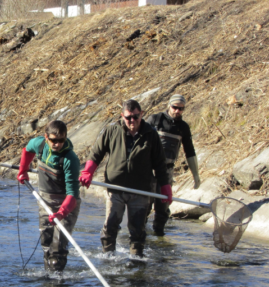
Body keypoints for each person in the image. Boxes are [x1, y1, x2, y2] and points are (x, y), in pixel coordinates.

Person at [79, 99, 171, 257]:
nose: (132, 121)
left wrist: (165, 186)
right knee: (110, 226)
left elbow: (160, 164)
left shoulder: (151, 134)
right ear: (122, 116)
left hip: (141, 191)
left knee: (137, 229)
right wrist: (88, 171)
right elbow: (96, 154)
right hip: (116, 189)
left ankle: (136, 261)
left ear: (141, 114)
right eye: (128, 117)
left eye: (136, 117)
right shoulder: (112, 131)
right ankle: (108, 257)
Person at [17, 120, 81, 272]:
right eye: (53, 140)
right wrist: (23, 170)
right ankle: (48, 280)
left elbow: (72, 194)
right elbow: (27, 150)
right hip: (45, 201)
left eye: (61, 140)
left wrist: (61, 213)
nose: (57, 144)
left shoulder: (70, 159)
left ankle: (56, 286)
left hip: (66, 205)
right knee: (46, 245)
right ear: (46, 137)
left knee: (57, 249)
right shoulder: (39, 144)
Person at [145, 94, 201, 235]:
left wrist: (196, 175)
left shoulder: (183, 127)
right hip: (148, 169)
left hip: (167, 170)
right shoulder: (155, 119)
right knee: (144, 204)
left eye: (181, 109)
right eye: (175, 107)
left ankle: (159, 234)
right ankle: (139, 233)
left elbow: (190, 152)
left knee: (163, 206)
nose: (177, 111)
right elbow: (139, 142)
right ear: (169, 105)